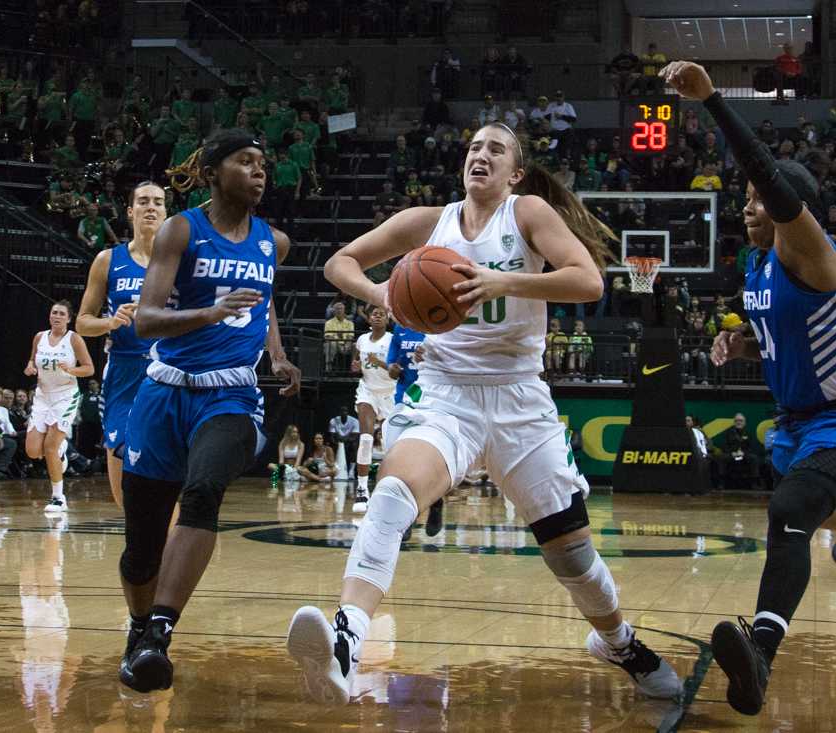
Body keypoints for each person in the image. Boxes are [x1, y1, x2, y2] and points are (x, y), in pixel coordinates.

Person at [287, 121, 681, 706]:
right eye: (473, 146)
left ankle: (618, 641)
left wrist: (505, 279)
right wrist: (385, 296)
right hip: (447, 393)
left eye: (495, 149)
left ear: (514, 172)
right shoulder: (429, 222)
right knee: (394, 492)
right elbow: (340, 263)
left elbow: (588, 280)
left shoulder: (527, 215)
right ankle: (348, 639)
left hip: (520, 397)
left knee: (571, 552)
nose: (480, 154)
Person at [662, 60, 836, 716]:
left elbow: (774, 184)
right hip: (798, 423)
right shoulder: (755, 268)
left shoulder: (812, 255)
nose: (746, 204)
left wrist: (712, 101)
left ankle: (762, 654)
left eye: (755, 198)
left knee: (789, 511)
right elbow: (783, 341)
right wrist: (740, 346)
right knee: (819, 512)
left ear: (783, 208)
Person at [117, 129, 300, 693]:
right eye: (245, 162)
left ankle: (159, 636)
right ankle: (138, 626)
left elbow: (261, 301)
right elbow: (146, 319)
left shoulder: (275, 241)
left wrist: (277, 353)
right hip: (165, 389)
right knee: (141, 546)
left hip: (232, 394)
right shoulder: (181, 229)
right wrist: (212, 313)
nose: (259, 171)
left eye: (262, 163)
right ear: (215, 171)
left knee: (202, 492)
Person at [76, 181, 167, 508]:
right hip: (124, 370)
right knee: (120, 472)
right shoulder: (107, 259)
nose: (151, 207)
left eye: (158, 202)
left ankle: (167, 552)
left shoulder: (180, 261)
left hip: (167, 370)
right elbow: (83, 323)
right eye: (143, 201)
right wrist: (111, 322)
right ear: (130, 211)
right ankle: (141, 541)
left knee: (168, 470)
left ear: (166, 212)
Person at [23, 301, 95, 513]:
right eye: (54, 312)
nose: (56, 316)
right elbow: (32, 361)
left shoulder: (74, 339)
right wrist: (29, 367)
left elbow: (89, 369)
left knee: (49, 447)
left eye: (61, 314)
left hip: (65, 396)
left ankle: (57, 497)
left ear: (69, 318)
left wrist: (72, 370)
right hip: (43, 396)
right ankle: (62, 451)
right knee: (33, 451)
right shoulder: (39, 337)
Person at [386, 324, 444, 536]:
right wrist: (393, 369)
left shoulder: (440, 327)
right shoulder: (399, 330)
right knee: (402, 460)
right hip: (406, 397)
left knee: (430, 457)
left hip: (432, 395)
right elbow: (391, 368)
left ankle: (436, 503)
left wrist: (431, 358)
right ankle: (409, 513)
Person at [350, 305, 396, 511]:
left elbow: (397, 372)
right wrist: (355, 365)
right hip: (368, 390)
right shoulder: (361, 340)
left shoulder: (392, 340)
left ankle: (388, 488)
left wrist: (379, 362)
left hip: (390, 392)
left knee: (390, 444)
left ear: (387, 320)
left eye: (382, 314)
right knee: (366, 439)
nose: (378, 316)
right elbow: (355, 355)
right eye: (374, 314)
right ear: (368, 319)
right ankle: (361, 490)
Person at [328, 405, 359, 480]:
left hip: (349, 442)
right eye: (342, 411)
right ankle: (334, 469)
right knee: (331, 445)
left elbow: (355, 436)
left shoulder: (354, 421)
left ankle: (351, 471)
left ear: (348, 413)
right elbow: (332, 436)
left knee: (354, 445)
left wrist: (344, 440)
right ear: (339, 412)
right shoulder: (333, 421)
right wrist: (337, 442)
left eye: (345, 411)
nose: (344, 413)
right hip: (338, 441)